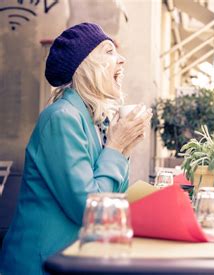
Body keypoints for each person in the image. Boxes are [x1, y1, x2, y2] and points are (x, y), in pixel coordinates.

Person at [0, 23, 151, 274]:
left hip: (77, 258)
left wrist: (123, 148)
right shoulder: (62, 117)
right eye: (109, 51)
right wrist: (115, 147)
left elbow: (114, 201)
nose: (122, 60)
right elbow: (90, 210)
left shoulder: (95, 121)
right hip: (41, 265)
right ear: (86, 65)